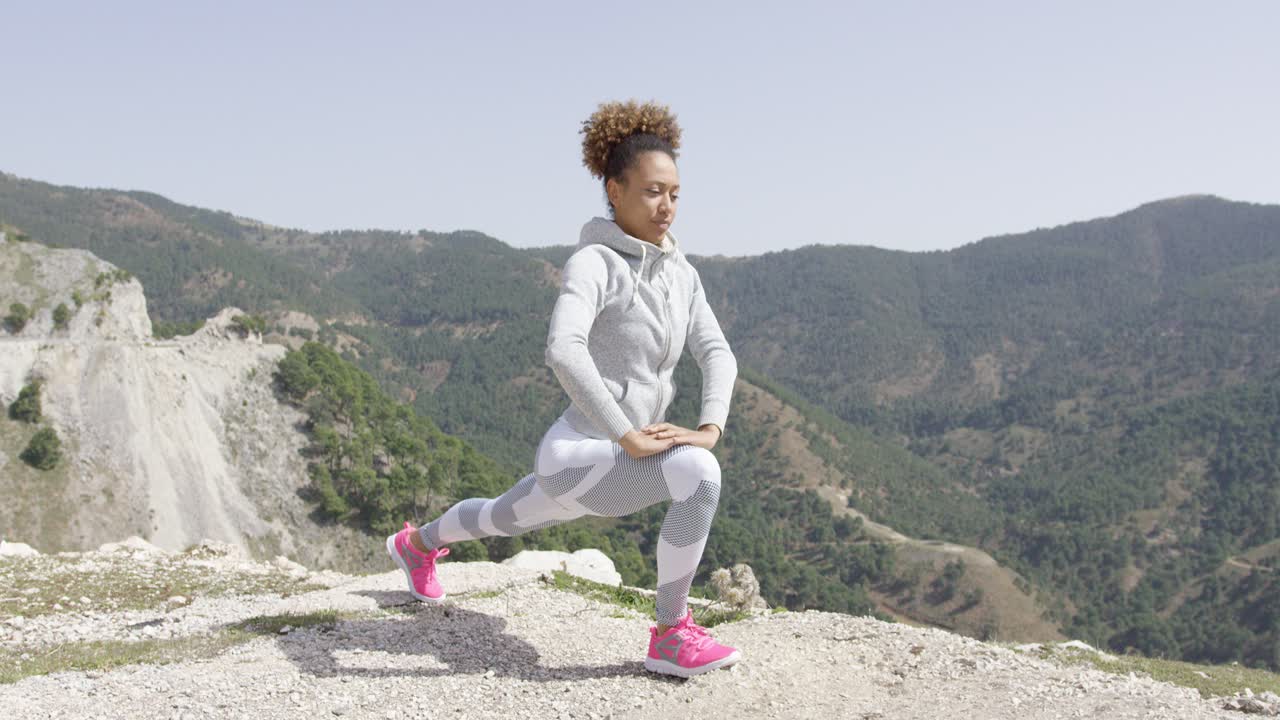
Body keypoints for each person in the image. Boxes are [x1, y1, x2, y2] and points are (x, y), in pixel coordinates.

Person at [386, 99, 740, 678]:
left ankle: (415, 545)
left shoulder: (683, 274)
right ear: (614, 188)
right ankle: (671, 634)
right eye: (653, 192)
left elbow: (717, 351)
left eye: (675, 193)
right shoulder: (595, 263)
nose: (667, 207)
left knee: (498, 517)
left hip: (610, 461)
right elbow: (563, 349)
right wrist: (626, 433)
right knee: (699, 474)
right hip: (577, 455)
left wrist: (709, 427)